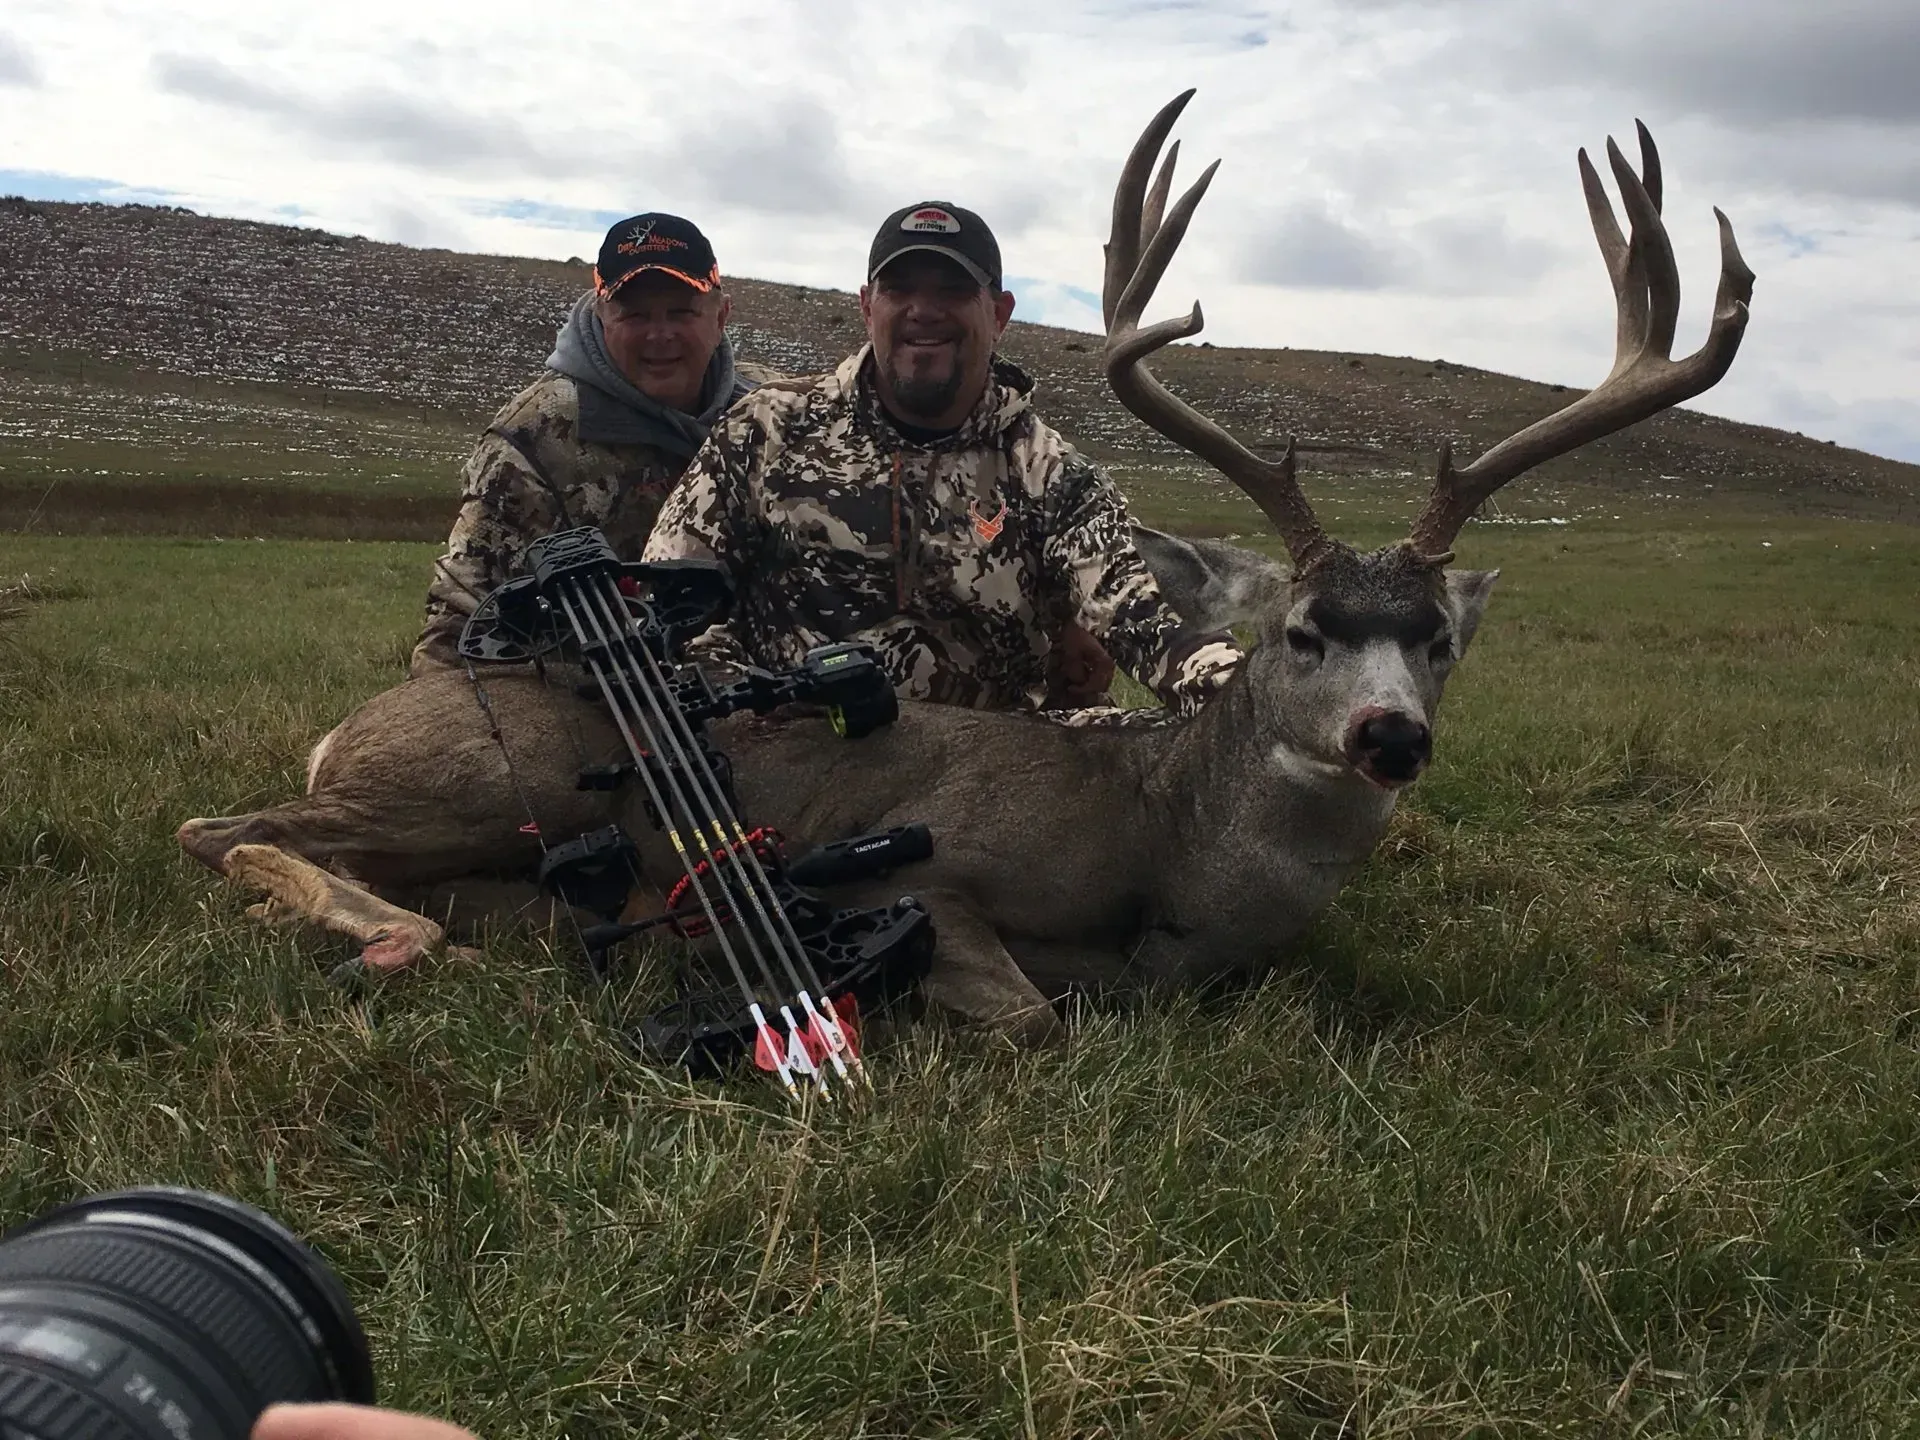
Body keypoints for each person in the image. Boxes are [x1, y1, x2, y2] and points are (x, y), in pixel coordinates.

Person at [640, 201, 1241, 720]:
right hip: (797, 756)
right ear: (866, 306)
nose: (924, 311)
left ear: (1000, 314)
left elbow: (1147, 619)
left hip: (988, 779)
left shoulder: (1053, 476)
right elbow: (666, 600)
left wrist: (1252, 702)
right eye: (900, 290)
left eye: (953, 291)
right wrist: (734, 700)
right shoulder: (767, 427)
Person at [409, 212, 762, 674]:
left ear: (721, 315)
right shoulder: (533, 438)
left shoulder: (771, 414)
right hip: (596, 702)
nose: (660, 335)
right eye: (634, 313)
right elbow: (459, 629)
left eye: (681, 311)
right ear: (601, 314)